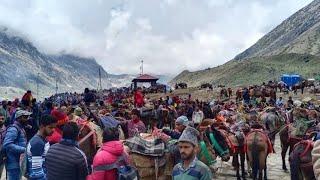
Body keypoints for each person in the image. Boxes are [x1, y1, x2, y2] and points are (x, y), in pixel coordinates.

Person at [3, 109, 32, 180]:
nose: (27, 119)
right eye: (25, 117)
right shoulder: (13, 129)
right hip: (13, 163)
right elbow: (7, 144)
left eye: (28, 117)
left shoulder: (20, 128)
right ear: (19, 118)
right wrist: (24, 150)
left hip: (18, 162)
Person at [26, 115, 57, 180]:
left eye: (54, 127)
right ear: (41, 126)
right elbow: (37, 171)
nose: (53, 130)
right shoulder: (38, 142)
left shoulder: (43, 139)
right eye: (50, 127)